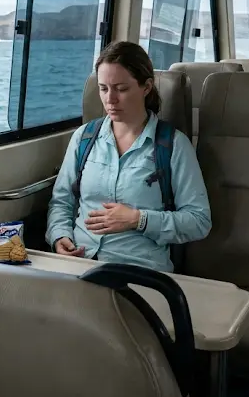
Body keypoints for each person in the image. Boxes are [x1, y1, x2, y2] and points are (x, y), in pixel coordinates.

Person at [45, 41, 212, 273]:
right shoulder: (84, 138)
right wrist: (59, 236)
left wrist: (138, 219)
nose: (110, 100)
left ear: (146, 87)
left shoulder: (173, 145)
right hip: (79, 264)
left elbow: (198, 221)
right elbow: (62, 201)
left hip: (139, 269)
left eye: (121, 89)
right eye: (103, 88)